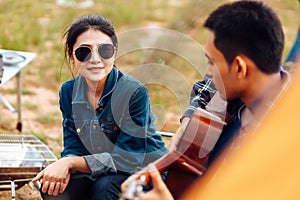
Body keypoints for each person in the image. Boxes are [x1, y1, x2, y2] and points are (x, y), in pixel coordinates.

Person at [121, 1, 290, 199]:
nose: (208, 72)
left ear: (239, 68)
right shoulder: (246, 86)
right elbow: (205, 89)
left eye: (212, 63)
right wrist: (188, 124)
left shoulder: (283, 144)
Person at [32, 15, 167, 200]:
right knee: (54, 187)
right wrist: (66, 163)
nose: (95, 59)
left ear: (115, 53)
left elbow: (127, 159)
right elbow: (73, 145)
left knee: (105, 188)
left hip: (142, 169)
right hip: (100, 167)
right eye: (83, 52)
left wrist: (70, 162)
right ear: (72, 56)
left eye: (105, 50)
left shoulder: (134, 92)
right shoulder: (68, 91)